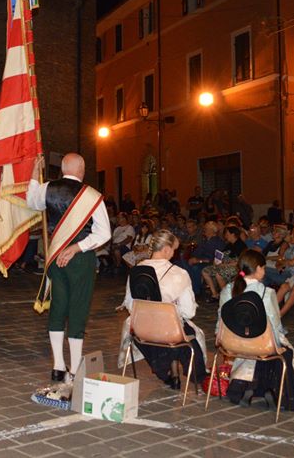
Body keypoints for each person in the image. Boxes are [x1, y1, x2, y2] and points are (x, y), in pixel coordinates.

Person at [26, 152, 111, 382]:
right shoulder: (92, 196)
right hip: (80, 259)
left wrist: (35, 170)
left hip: (54, 257)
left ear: (62, 169)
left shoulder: (47, 188)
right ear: (82, 170)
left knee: (58, 307)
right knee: (78, 309)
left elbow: (31, 200)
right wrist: (75, 248)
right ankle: (74, 369)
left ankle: (57, 365)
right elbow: (104, 233)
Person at [216, 249, 294, 410]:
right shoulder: (267, 292)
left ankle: (250, 388)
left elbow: (221, 319)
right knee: (283, 351)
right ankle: (269, 390)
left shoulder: (228, 289)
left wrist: (220, 338)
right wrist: (280, 342)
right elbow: (274, 324)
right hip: (260, 343)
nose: (264, 271)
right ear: (257, 268)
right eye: (263, 268)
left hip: (230, 342)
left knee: (259, 348)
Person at [121, 230, 207, 391]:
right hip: (169, 330)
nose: (174, 254)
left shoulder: (136, 270)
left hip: (140, 330)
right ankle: (197, 375)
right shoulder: (179, 273)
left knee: (167, 332)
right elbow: (189, 312)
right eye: (174, 250)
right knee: (186, 333)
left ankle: (167, 372)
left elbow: (130, 304)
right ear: (166, 249)